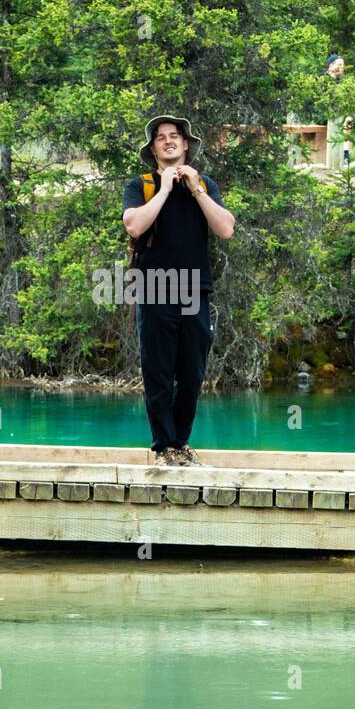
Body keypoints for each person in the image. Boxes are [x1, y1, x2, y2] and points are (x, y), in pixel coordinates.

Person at [122, 116, 235, 467]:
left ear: (186, 145)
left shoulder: (205, 184)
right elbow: (135, 225)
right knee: (157, 369)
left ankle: (180, 443)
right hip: (153, 288)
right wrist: (166, 189)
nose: (168, 141)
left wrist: (195, 188)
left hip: (193, 288)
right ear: (153, 149)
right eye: (160, 138)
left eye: (175, 137)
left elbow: (226, 229)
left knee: (192, 371)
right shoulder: (139, 185)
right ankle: (163, 447)